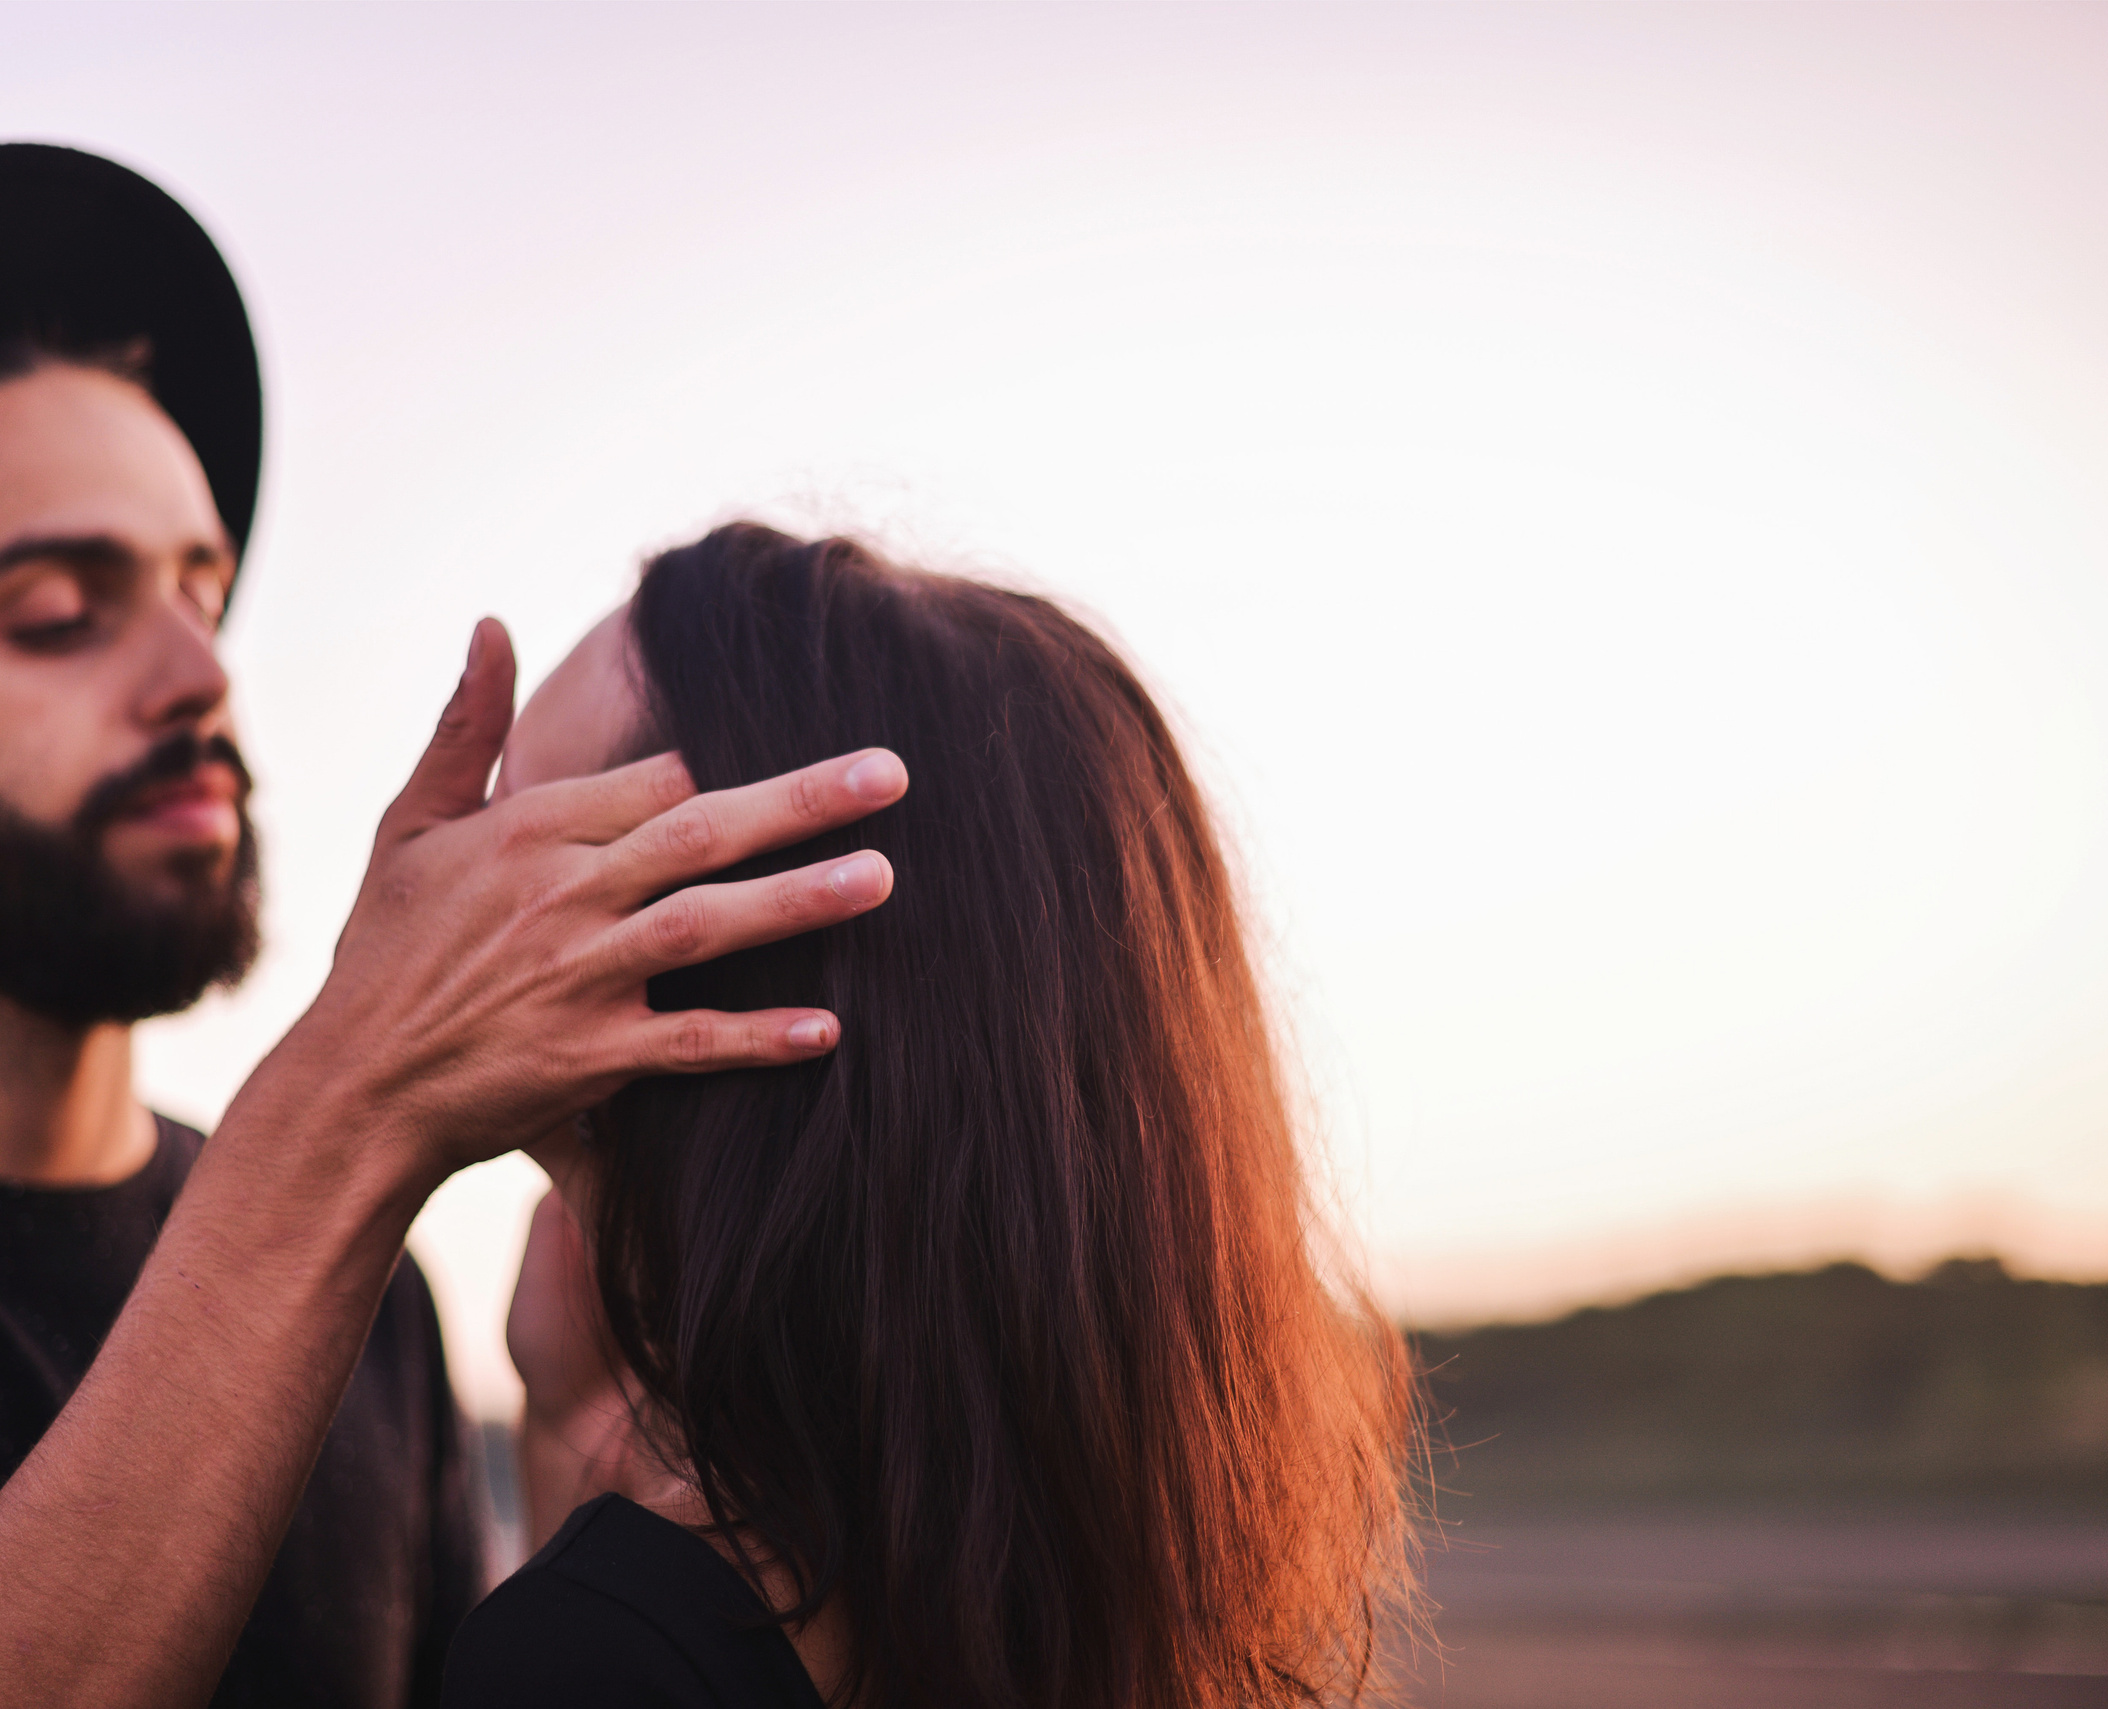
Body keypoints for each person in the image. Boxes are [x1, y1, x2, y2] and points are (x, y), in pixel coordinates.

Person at [0, 148, 908, 1709]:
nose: (199, 677)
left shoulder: (379, 1309)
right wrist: (349, 1102)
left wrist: (596, 1491)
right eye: (58, 616)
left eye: (199, 594)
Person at [446, 525, 1417, 1709]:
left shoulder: (589, 1659)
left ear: (731, 937)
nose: (448, 876)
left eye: (522, 830)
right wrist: (570, 1429)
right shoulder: (1102, 1597)